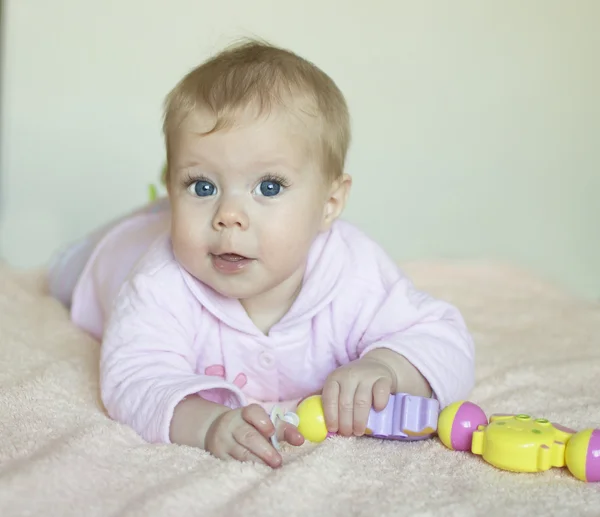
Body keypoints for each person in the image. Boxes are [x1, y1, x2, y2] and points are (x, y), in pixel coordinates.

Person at [48, 39, 475, 469]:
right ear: (173, 182)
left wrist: (389, 367)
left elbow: (445, 340)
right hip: (111, 256)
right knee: (67, 271)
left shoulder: (353, 271)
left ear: (330, 203)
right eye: (201, 186)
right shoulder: (159, 282)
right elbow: (133, 378)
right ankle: (143, 217)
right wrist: (207, 424)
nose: (228, 215)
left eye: (269, 187)